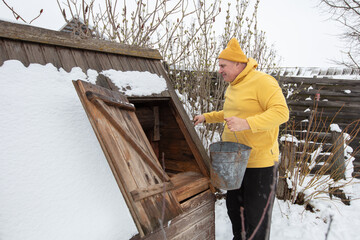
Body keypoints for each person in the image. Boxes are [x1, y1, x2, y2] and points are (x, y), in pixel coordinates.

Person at [194, 38, 289, 240]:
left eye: (223, 66)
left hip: (259, 164)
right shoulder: (234, 85)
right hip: (235, 163)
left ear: (238, 64)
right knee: (235, 211)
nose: (219, 70)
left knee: (256, 217)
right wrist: (206, 117)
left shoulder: (263, 81)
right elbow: (229, 113)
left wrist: (247, 123)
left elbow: (282, 113)